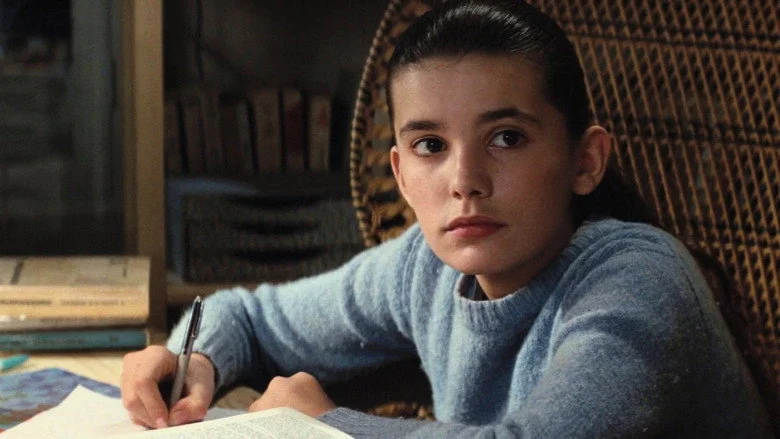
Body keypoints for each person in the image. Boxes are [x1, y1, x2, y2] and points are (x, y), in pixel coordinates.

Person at [121, 0, 772, 437]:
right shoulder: (423, 267)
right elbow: (248, 317)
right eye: (431, 145)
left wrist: (325, 426)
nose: (465, 180)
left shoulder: (639, 280)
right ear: (402, 174)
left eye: (507, 137)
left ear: (586, 160)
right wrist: (192, 360)